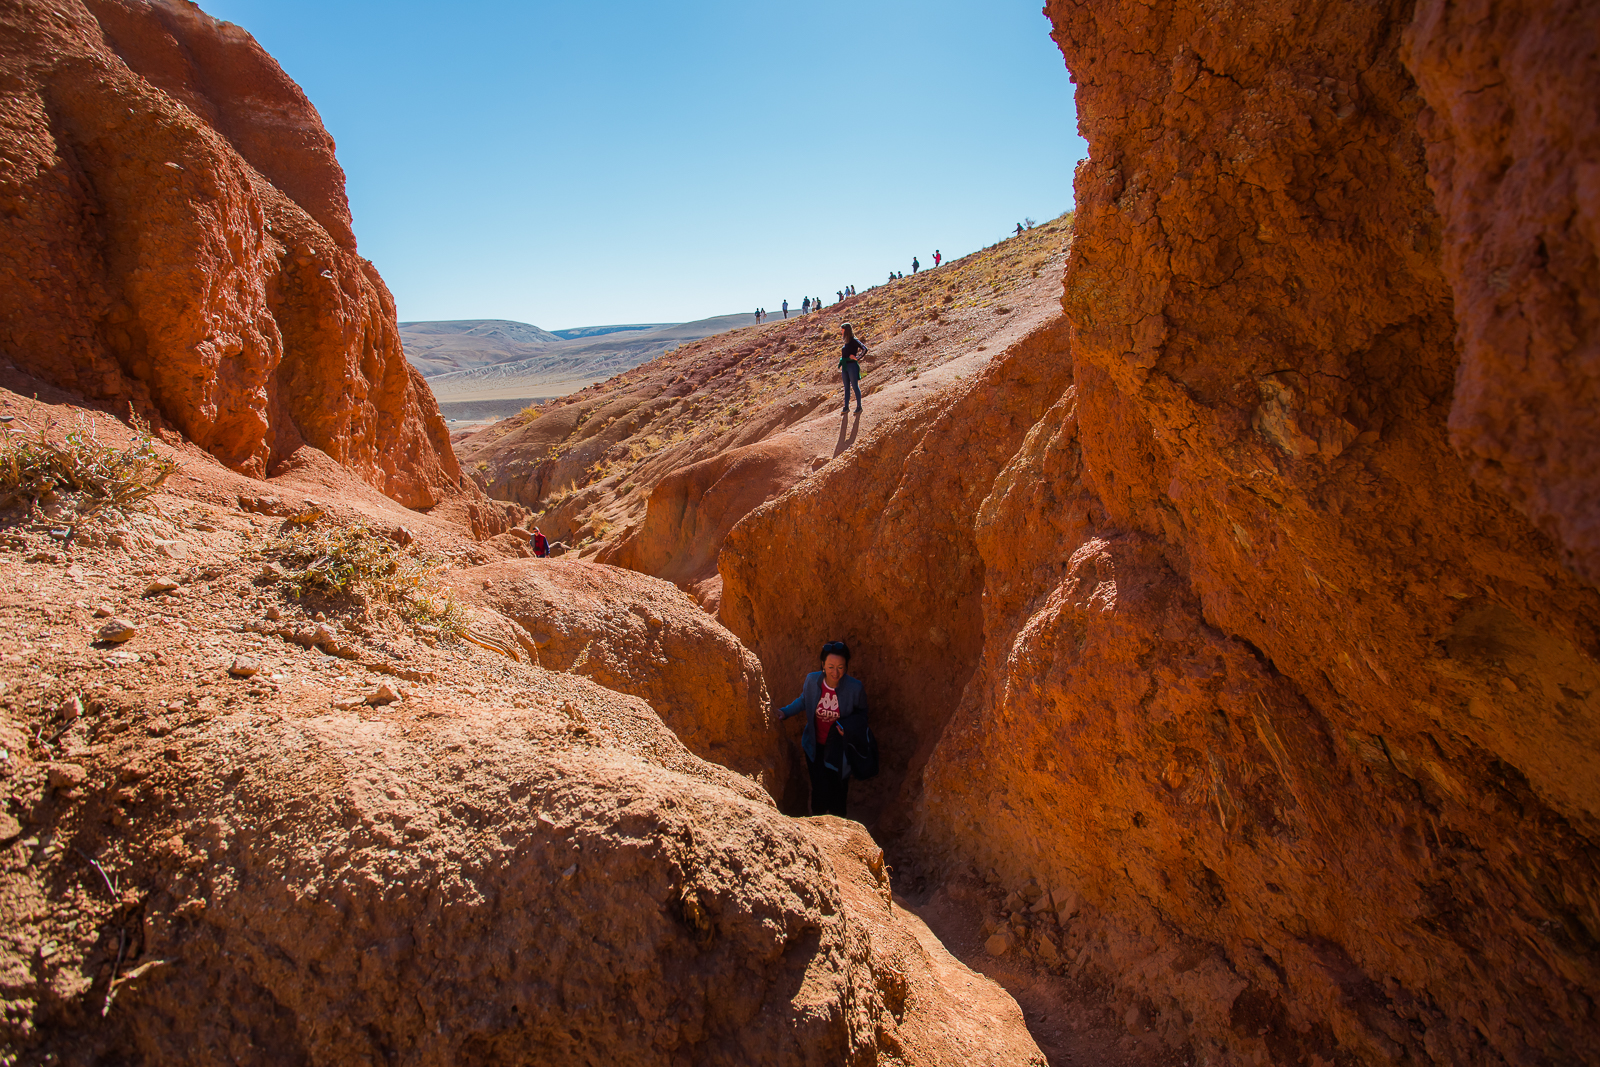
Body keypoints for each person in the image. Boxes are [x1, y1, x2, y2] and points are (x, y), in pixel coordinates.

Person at [779, 640, 867, 817]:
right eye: (831, 666)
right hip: (815, 746)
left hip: (840, 749)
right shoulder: (812, 681)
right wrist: (784, 712)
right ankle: (817, 826)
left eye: (841, 667)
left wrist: (848, 727)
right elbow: (804, 700)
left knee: (839, 791)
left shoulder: (855, 688)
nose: (836, 672)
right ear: (823, 665)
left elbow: (862, 715)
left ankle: (839, 830)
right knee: (819, 789)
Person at [839, 321, 866, 414]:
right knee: (846, 387)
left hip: (852, 365)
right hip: (845, 366)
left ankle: (859, 406)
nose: (841, 332)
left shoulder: (854, 340)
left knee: (854, 386)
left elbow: (864, 349)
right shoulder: (846, 342)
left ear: (846, 330)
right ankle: (846, 407)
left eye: (842, 330)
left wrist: (857, 358)